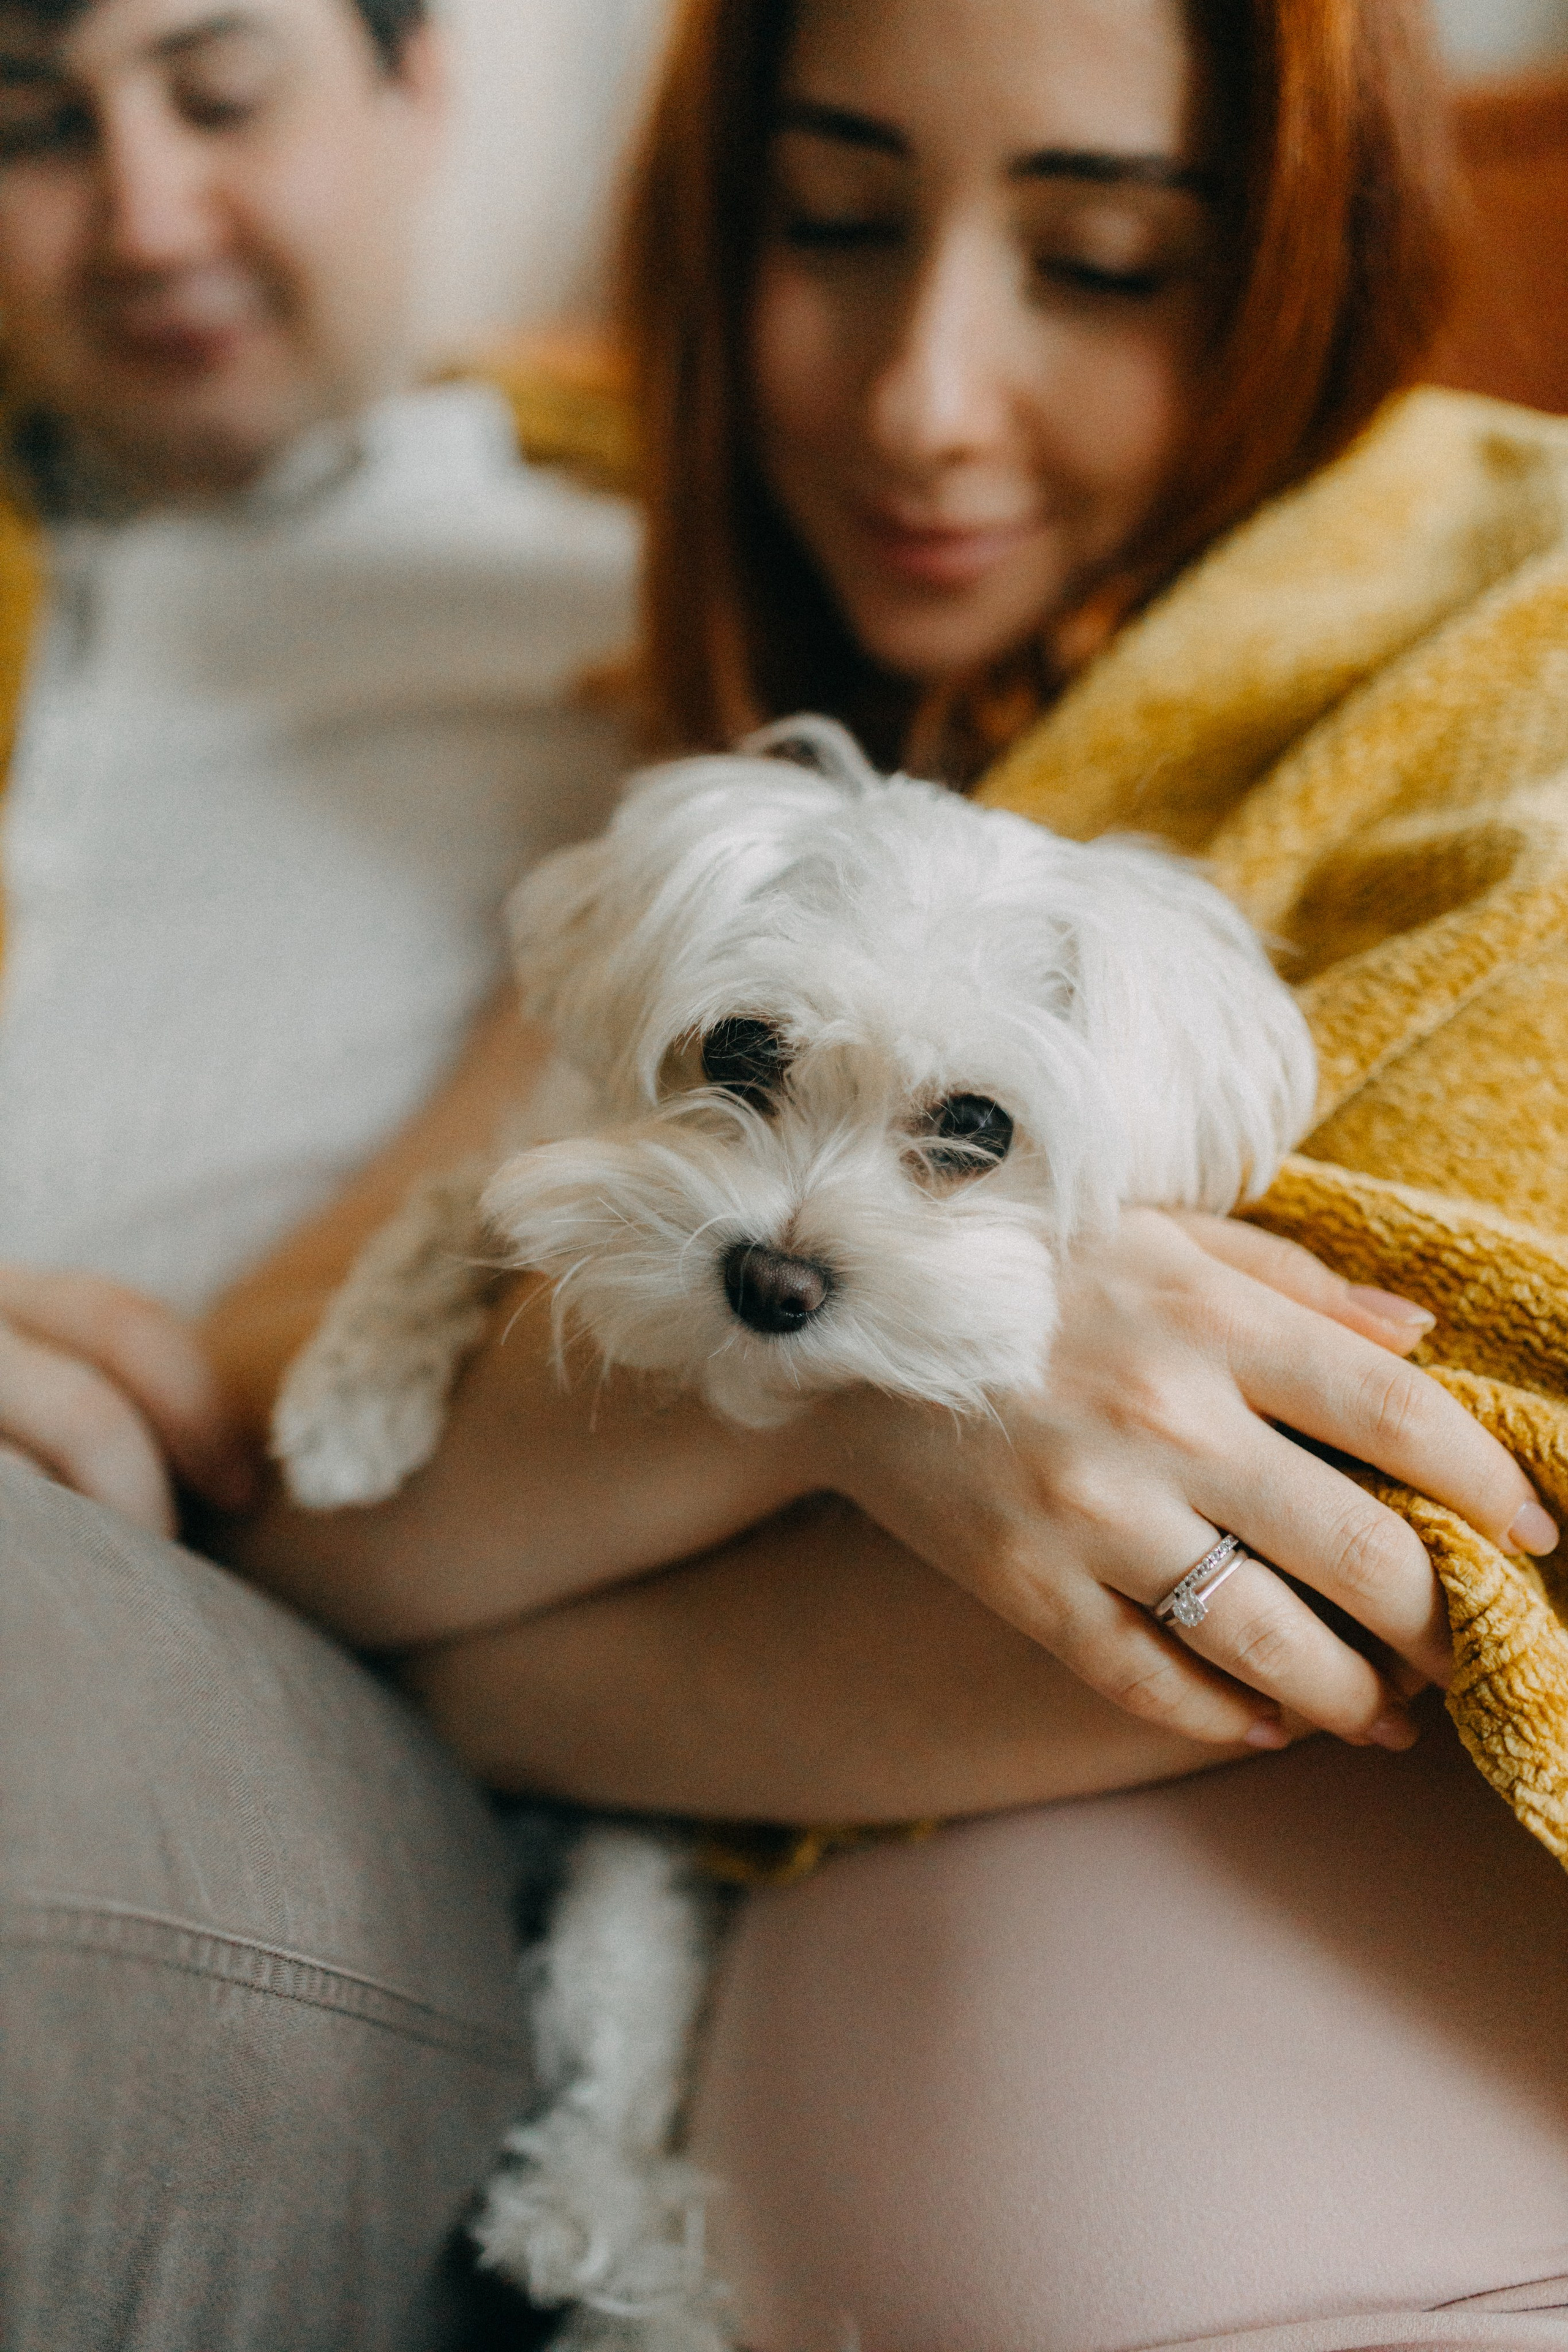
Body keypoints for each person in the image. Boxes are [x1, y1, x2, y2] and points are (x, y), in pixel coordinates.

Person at [220, 0, 1568, 2344]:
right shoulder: (748, 809)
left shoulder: (1515, 659)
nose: (927, 398)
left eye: (1103, 262)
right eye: (833, 221)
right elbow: (308, 1494)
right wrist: (861, 1411)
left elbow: (1400, 1565)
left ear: (1305, 265)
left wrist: (500, 1651)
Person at [0, 0, 638, 2340]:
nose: (148, 214)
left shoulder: (661, 591)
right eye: (32, 125)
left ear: (415, 83)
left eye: (222, 90)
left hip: (245, 1634)